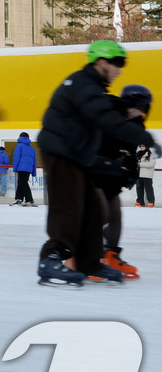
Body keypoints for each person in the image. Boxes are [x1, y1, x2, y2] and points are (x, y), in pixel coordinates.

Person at [34, 40, 153, 288]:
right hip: (60, 151)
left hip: (76, 155)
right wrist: (143, 137)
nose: (119, 70)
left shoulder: (91, 87)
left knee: (93, 210)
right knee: (68, 207)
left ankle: (90, 263)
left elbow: (107, 105)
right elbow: (104, 116)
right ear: (101, 62)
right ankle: (50, 259)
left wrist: (130, 110)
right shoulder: (82, 84)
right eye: (116, 64)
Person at [98, 84, 149, 280]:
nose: (139, 112)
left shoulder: (137, 125)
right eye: (137, 107)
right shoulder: (110, 116)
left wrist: (131, 170)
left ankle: (111, 255)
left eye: (143, 109)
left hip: (113, 178)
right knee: (99, 215)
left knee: (116, 215)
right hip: (96, 174)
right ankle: (86, 257)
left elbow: (129, 152)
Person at [11, 132, 37, 206]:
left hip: (21, 167)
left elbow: (16, 158)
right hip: (28, 168)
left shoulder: (19, 146)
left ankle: (29, 199)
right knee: (21, 182)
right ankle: (19, 198)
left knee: (23, 183)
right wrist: (34, 171)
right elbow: (34, 160)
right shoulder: (32, 148)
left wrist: (15, 168)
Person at [138, 133, 157, 208]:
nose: (141, 147)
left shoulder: (150, 155)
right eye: (140, 146)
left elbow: (151, 164)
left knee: (149, 190)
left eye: (143, 146)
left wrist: (140, 164)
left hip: (147, 175)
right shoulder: (138, 154)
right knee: (139, 190)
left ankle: (151, 202)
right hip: (139, 175)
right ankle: (140, 202)